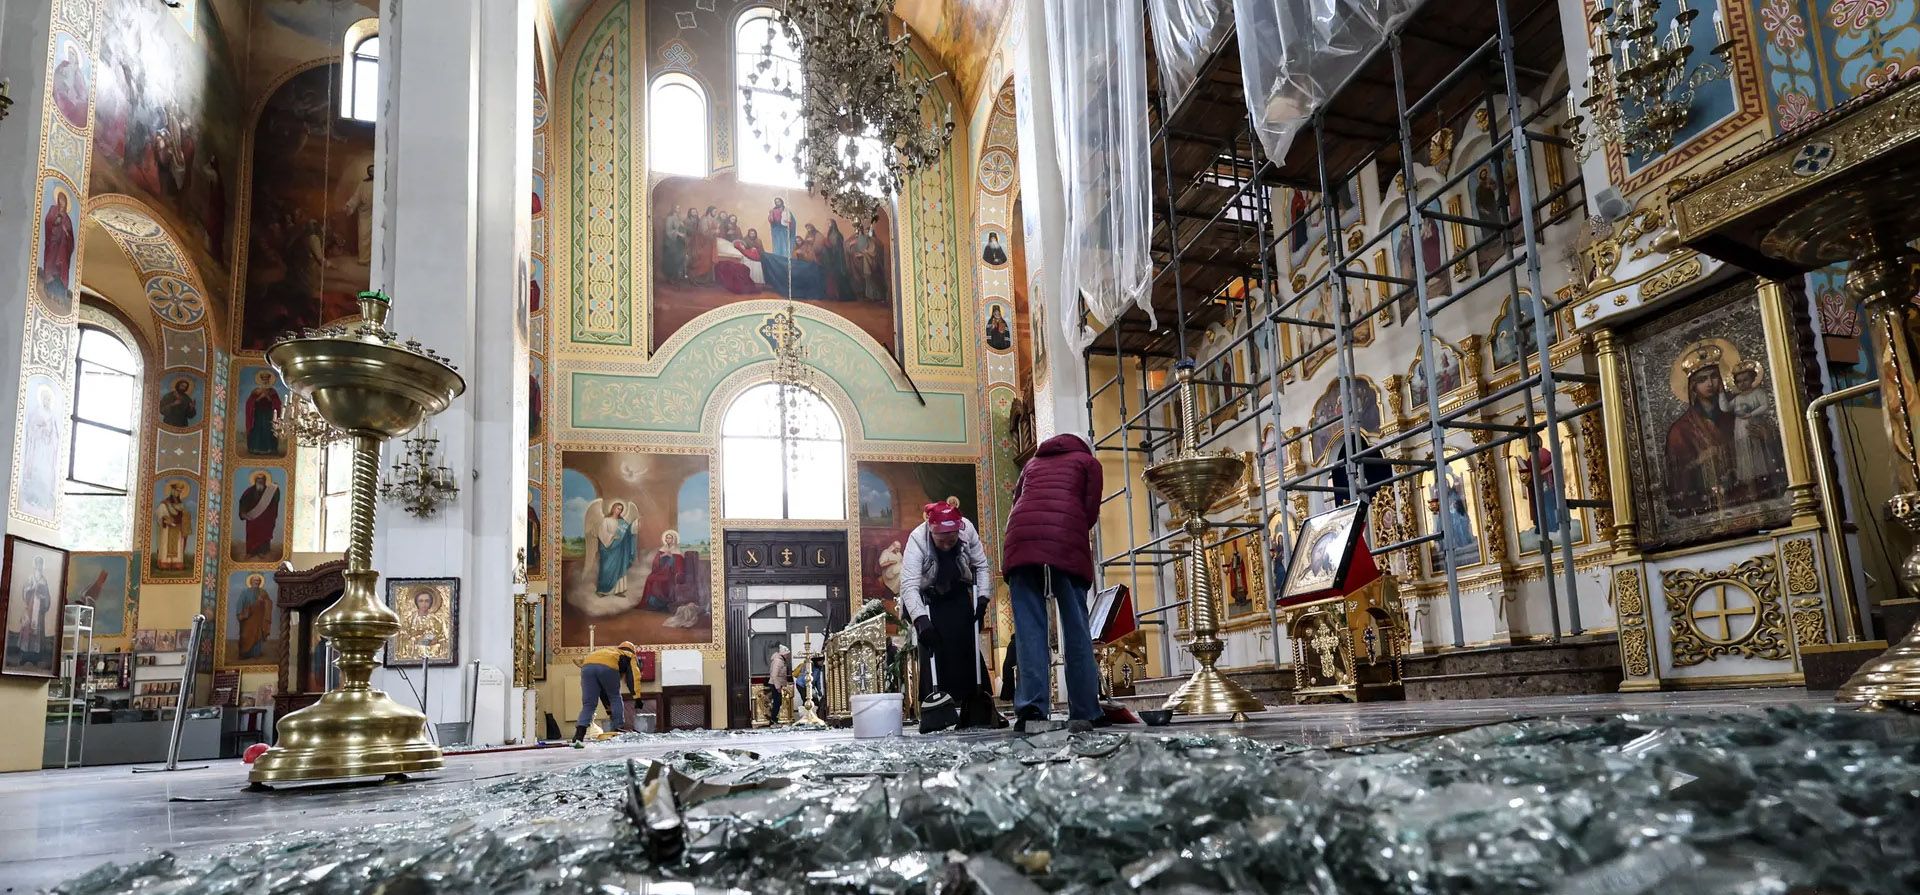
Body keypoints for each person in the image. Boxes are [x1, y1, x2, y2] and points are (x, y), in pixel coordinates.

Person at [1002, 432, 1104, 732]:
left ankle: (1032, 711)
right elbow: (1089, 511)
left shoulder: (1031, 464)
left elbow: (1017, 499)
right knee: (1075, 623)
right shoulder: (1088, 462)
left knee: (1028, 629)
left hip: (1019, 539)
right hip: (1064, 536)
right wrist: (1067, 530)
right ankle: (1085, 710)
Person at [899, 502, 993, 726]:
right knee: (934, 647)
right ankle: (938, 706)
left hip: (957, 588)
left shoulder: (967, 529)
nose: (946, 546)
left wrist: (983, 600)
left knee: (966, 643)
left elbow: (981, 565)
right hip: (928, 597)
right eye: (941, 541)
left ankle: (973, 700)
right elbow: (909, 585)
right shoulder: (917, 539)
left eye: (951, 540)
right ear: (931, 531)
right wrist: (921, 622)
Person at [574, 641, 638, 744]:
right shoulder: (628, 655)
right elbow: (634, 678)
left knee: (589, 704)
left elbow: (602, 691)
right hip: (607, 668)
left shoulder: (608, 651)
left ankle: (579, 735)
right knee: (615, 697)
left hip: (586, 667)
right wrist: (636, 696)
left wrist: (609, 710)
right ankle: (618, 728)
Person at [766, 643, 791, 721]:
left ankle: (773, 718)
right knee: (777, 702)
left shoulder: (780, 660)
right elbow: (774, 675)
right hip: (775, 684)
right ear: (783, 654)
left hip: (776, 684)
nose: (788, 656)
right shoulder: (778, 661)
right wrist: (778, 687)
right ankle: (773, 719)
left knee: (778, 702)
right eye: (787, 654)